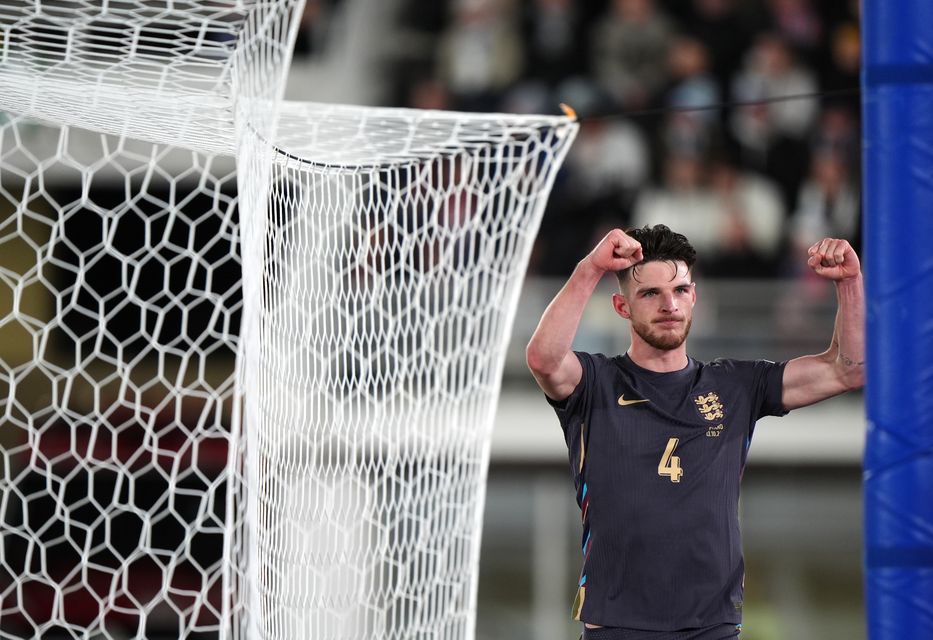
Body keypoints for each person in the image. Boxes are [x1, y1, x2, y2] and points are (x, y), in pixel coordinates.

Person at [525, 224, 864, 639]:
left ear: (694, 296)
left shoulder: (736, 385)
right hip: (618, 625)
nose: (669, 304)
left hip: (713, 627)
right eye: (650, 293)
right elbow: (544, 359)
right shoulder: (596, 383)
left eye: (680, 290)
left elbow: (849, 370)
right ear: (621, 306)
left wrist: (850, 283)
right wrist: (591, 267)